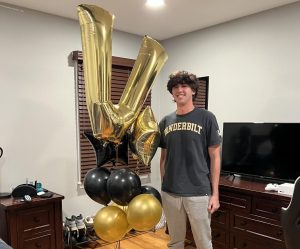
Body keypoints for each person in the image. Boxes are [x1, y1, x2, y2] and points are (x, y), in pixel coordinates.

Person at [159, 70, 221, 249]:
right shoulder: (165, 121)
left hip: (198, 192)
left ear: (193, 90)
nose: (180, 90)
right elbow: (163, 158)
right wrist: (164, 185)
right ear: (172, 92)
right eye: (176, 87)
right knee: (175, 241)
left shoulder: (207, 118)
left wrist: (215, 194)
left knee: (203, 242)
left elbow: (215, 157)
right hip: (170, 192)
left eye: (184, 86)